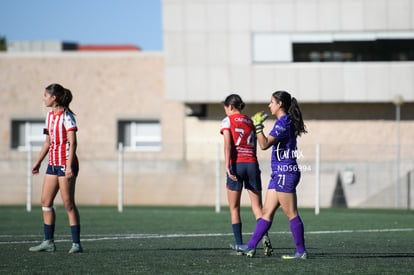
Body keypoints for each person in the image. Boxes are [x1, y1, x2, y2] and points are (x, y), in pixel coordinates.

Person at [238, 90, 308, 259]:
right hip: (279, 173)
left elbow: (263, 145)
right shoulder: (284, 121)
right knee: (266, 212)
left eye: (271, 102)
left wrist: (258, 126)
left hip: (285, 172)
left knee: (291, 213)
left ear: (280, 104)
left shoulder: (283, 122)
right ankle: (251, 247)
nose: (269, 105)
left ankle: (301, 251)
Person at [29, 83, 82, 254]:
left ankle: (76, 244)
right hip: (52, 164)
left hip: (66, 164)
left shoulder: (67, 117)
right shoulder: (49, 116)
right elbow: (48, 142)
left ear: (54, 98)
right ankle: (48, 242)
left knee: (68, 204)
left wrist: (68, 167)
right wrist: (38, 162)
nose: (44, 98)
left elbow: (73, 142)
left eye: (45, 95)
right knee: (45, 202)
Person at [220, 94, 273, 256]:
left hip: (237, 165)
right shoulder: (250, 121)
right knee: (258, 208)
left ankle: (239, 245)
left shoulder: (227, 120)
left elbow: (228, 145)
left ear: (230, 106)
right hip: (251, 164)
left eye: (225, 108)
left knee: (234, 208)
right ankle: (264, 237)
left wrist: (228, 166)